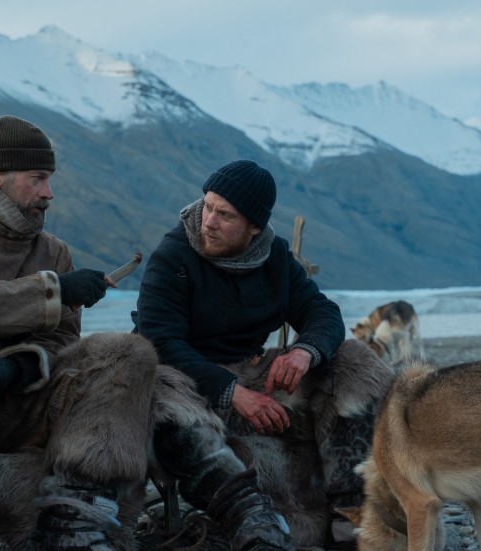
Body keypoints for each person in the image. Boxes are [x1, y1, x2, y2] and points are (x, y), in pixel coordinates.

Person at [0, 116, 293, 551]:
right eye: (38, 179)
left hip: (9, 404)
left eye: (49, 180)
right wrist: (56, 290)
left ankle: (78, 524)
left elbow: (61, 346)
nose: (48, 193)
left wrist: (15, 369)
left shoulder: (51, 250)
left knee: (128, 353)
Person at [135, 159, 397, 547]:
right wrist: (232, 392)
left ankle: (353, 511)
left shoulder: (273, 256)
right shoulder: (173, 256)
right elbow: (160, 342)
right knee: (164, 384)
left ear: (254, 226)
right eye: (207, 206)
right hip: (186, 383)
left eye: (225, 215)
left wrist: (305, 352)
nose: (208, 221)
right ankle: (256, 519)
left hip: (255, 373)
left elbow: (322, 312)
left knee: (353, 360)